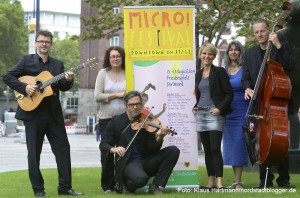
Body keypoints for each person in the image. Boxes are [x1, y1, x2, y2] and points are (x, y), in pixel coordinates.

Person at [2, 30, 82, 197]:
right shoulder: (26, 61)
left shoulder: (57, 65)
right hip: (32, 113)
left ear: (51, 44)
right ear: (36, 43)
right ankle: (38, 190)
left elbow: (62, 86)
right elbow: (8, 76)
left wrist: (68, 80)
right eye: (41, 41)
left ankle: (65, 188)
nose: (44, 44)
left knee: (63, 149)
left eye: (47, 41)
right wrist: (24, 87)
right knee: (34, 153)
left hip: (53, 114)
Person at [242, 19, 295, 189]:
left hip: (277, 104)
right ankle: (264, 180)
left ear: (268, 31)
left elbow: (291, 65)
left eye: (262, 31)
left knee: (281, 141)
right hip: (260, 105)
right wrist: (247, 88)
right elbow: (246, 78)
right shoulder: (249, 54)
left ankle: (284, 180)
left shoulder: (279, 48)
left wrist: (278, 45)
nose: (259, 34)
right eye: (256, 32)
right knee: (261, 142)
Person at [100, 91, 180, 194]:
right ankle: (124, 186)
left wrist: (160, 137)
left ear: (142, 104)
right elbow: (103, 145)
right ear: (125, 105)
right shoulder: (116, 121)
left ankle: (155, 186)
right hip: (127, 163)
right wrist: (115, 149)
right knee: (140, 179)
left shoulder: (147, 122)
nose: (135, 107)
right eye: (132, 105)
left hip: (145, 161)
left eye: (138, 104)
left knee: (173, 151)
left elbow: (152, 149)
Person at [193, 43, 234, 190]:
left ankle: (219, 183)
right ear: (200, 55)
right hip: (201, 113)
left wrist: (219, 108)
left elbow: (229, 94)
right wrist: (195, 106)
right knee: (207, 149)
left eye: (210, 54)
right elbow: (200, 95)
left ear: (213, 56)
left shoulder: (220, 72)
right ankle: (210, 183)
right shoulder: (198, 74)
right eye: (204, 53)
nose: (207, 56)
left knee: (216, 148)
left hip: (215, 113)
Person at [94, 46, 126, 193]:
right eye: (112, 56)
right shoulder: (103, 73)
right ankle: (107, 186)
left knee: (123, 153)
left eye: (118, 56)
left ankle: (120, 183)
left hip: (125, 119)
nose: (115, 59)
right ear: (109, 58)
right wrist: (118, 94)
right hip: (106, 119)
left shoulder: (128, 73)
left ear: (122, 58)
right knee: (107, 153)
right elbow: (97, 96)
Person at [222, 40, 249, 189]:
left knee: (239, 143)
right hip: (227, 112)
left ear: (240, 52)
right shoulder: (223, 69)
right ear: (227, 53)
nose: (233, 52)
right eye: (230, 50)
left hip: (242, 110)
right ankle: (236, 180)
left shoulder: (245, 69)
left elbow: (249, 85)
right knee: (230, 146)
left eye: (236, 49)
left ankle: (238, 182)